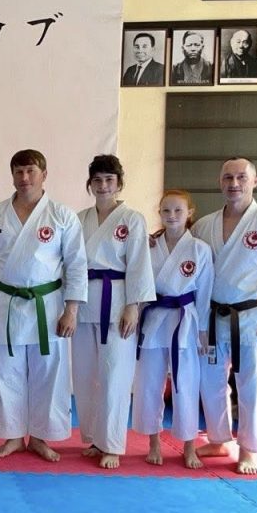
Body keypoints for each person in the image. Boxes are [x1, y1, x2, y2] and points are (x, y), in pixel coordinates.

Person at [0, 149, 87, 462]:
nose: (24, 178)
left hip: (48, 305)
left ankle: (40, 437)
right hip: (6, 302)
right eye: (18, 172)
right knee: (5, 372)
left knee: (48, 373)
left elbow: (76, 265)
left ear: (44, 175)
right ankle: (12, 436)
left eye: (31, 171)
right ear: (12, 176)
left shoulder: (61, 215)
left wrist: (72, 309)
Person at [192, 158, 257, 474]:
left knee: (251, 384)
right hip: (212, 316)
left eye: (241, 177)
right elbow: (187, 260)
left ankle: (248, 448)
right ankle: (217, 438)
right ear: (219, 182)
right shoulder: (203, 225)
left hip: (253, 317)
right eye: (228, 177)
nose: (234, 183)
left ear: (255, 181)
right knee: (211, 382)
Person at [73, 155, 155, 469]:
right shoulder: (79, 219)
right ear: (90, 184)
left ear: (119, 183)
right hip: (83, 301)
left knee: (115, 376)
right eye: (97, 180)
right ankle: (95, 438)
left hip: (117, 302)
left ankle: (113, 444)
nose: (103, 186)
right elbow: (71, 263)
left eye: (109, 180)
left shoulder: (132, 219)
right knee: (85, 376)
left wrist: (134, 306)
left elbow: (139, 264)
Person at [132, 190, 214, 470]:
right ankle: (154, 443)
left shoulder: (200, 250)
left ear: (190, 213)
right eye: (166, 210)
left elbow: (204, 294)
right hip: (154, 319)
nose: (171, 216)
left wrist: (203, 331)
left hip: (185, 321)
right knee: (149, 383)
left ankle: (189, 446)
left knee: (186, 384)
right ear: (159, 213)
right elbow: (139, 284)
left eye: (178, 210)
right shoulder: (149, 246)